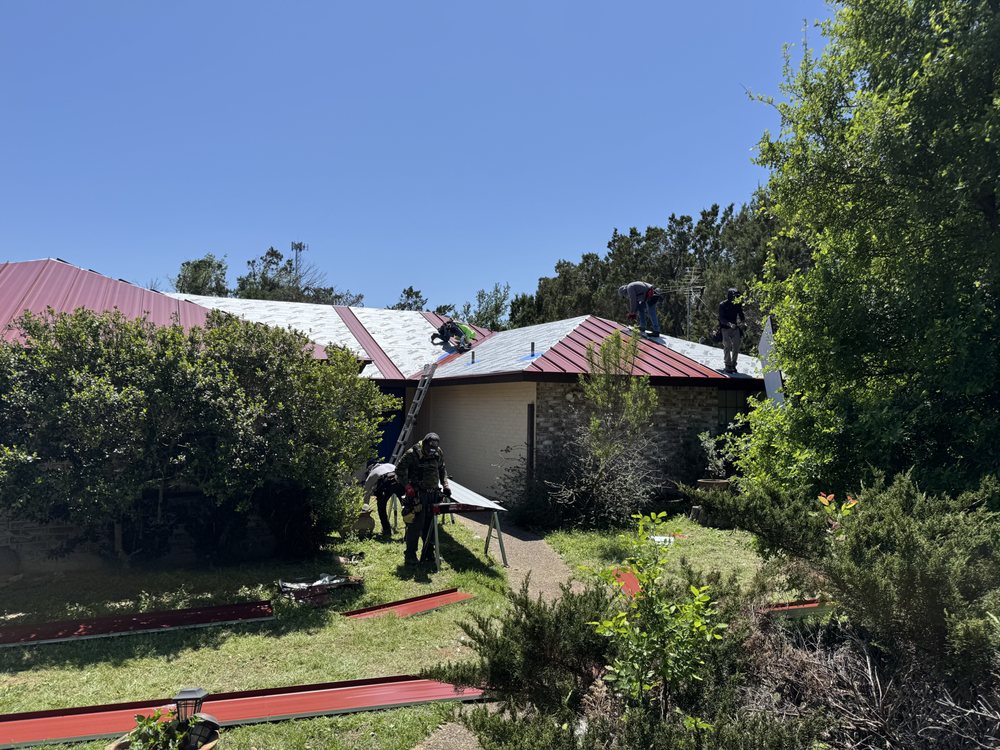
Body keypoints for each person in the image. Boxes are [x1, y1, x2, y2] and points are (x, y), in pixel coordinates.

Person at [394, 432, 451, 565]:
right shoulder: (412, 453)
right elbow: (399, 470)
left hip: (433, 495)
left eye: (433, 451)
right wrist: (407, 486)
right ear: (424, 444)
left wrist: (445, 485)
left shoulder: (438, 453)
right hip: (417, 495)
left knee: (430, 525)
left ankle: (428, 554)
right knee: (415, 525)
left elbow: (442, 469)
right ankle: (410, 556)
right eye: (428, 450)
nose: (430, 453)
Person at [362, 461, 405, 538]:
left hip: (386, 484)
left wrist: (365, 509)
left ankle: (386, 530)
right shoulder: (389, 465)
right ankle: (409, 530)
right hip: (398, 481)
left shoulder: (372, 474)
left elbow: (366, 493)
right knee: (406, 507)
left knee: (381, 507)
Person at [718, 288, 746, 373]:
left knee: (736, 346)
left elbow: (741, 314)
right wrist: (729, 324)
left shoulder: (737, 304)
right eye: (735, 297)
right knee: (727, 345)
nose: (736, 298)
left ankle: (733, 365)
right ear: (730, 296)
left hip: (735, 328)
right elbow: (721, 318)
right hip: (725, 328)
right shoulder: (722, 304)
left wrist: (744, 322)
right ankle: (728, 365)